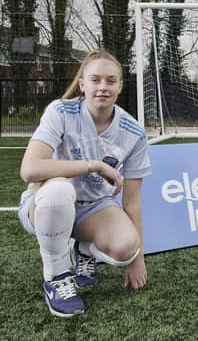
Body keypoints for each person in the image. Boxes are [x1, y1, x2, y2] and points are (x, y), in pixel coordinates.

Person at [18, 49, 152, 317]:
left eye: (111, 81)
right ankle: (57, 277)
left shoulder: (134, 132)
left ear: (120, 86)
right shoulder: (60, 111)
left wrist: (137, 259)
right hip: (45, 203)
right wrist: (93, 165)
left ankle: (83, 248)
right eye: (95, 80)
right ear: (82, 84)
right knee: (58, 189)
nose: (103, 87)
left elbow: (132, 201)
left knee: (126, 247)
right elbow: (29, 169)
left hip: (94, 208)